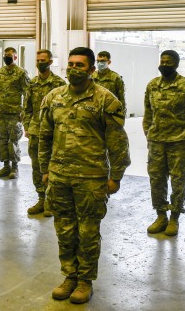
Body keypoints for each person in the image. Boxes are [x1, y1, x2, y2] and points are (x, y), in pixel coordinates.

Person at [39, 47, 130, 304]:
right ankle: (69, 275)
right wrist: (45, 170)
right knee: (65, 230)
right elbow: (44, 137)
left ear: (91, 70)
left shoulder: (105, 100)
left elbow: (118, 143)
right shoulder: (53, 97)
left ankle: (85, 281)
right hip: (59, 176)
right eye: (70, 64)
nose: (73, 69)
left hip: (91, 178)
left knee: (88, 232)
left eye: (80, 65)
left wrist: (116, 176)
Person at [143, 50, 185, 237]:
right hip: (156, 142)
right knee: (157, 180)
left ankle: (174, 218)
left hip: (178, 141)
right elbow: (148, 113)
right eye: (162, 61)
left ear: (176, 64)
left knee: (178, 182)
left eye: (168, 62)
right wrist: (148, 132)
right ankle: (160, 215)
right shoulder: (153, 85)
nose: (164, 65)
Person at [23, 49, 65, 217]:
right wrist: (27, 126)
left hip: (54, 133)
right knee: (37, 166)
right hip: (35, 131)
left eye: (43, 60)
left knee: (53, 166)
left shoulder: (59, 83)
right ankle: (42, 198)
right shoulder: (32, 83)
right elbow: (27, 108)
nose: (40, 62)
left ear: (50, 62)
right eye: (38, 60)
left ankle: (52, 201)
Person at [0, 47, 30, 179]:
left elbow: (27, 93)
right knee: (1, 140)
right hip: (0, 112)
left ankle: (15, 167)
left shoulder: (21, 73)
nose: (7, 57)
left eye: (9, 55)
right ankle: (5, 166)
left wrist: (24, 112)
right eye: (5, 55)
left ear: (15, 57)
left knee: (13, 141)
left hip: (14, 113)